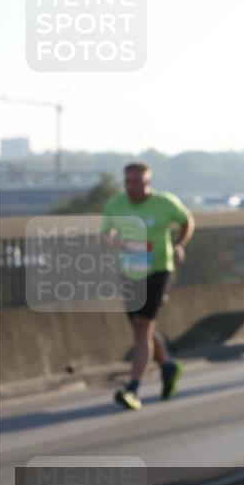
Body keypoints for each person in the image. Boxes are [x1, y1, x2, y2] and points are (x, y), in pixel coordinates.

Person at [102, 162, 194, 410]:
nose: (132, 187)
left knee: (142, 329)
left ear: (147, 183)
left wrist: (179, 243)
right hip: (130, 272)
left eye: (137, 182)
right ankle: (167, 366)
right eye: (128, 182)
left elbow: (187, 221)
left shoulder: (165, 203)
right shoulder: (115, 204)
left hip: (157, 270)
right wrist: (113, 240)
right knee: (142, 329)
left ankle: (133, 388)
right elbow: (105, 232)